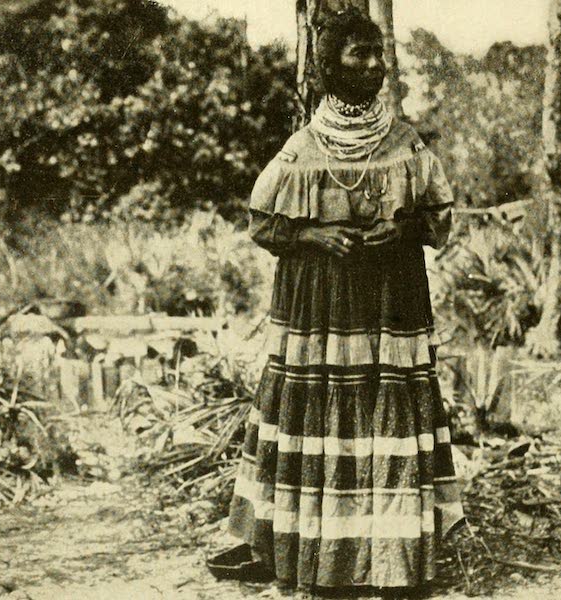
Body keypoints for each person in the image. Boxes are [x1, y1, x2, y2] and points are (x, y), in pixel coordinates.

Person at [224, 9, 464, 594]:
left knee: (388, 413)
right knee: (323, 418)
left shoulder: (406, 144)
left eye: (379, 52)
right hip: (320, 309)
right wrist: (311, 235)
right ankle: (322, 558)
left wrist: (402, 230)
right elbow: (262, 223)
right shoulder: (302, 149)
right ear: (329, 67)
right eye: (359, 54)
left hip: (391, 305)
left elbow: (438, 217)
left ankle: (393, 562)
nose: (376, 64)